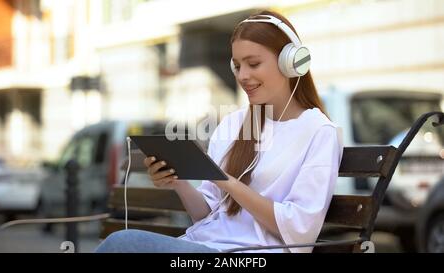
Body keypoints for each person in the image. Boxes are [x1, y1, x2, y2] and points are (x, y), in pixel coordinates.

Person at [95, 10, 343, 253]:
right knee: (122, 244)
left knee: (122, 244)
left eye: (253, 63)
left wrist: (228, 183)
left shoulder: (318, 131)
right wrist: (178, 181)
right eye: (237, 65)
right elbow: (205, 215)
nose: (243, 76)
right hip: (206, 245)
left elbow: (301, 229)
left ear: (291, 62)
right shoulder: (233, 124)